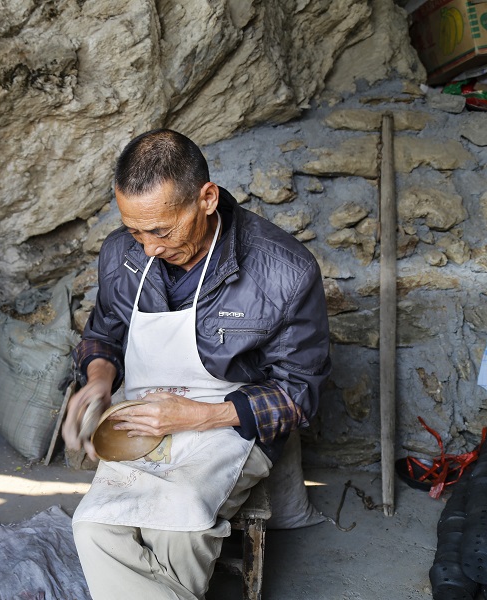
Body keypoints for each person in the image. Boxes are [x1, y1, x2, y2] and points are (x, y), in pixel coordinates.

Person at [62, 129, 331, 600]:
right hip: (142, 414)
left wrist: (199, 416)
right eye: (134, 230)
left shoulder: (284, 270)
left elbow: (299, 394)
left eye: (162, 231)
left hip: (229, 423)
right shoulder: (120, 256)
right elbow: (103, 335)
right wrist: (99, 381)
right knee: (92, 527)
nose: (147, 247)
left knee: (180, 524)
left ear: (206, 199)